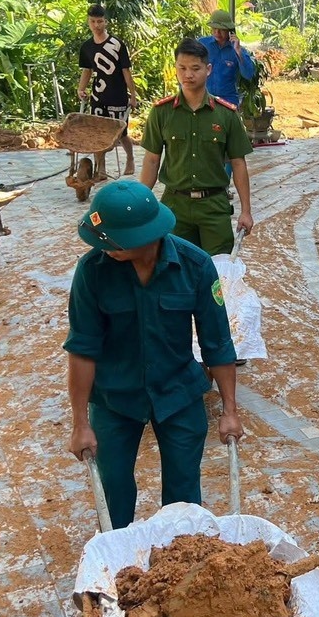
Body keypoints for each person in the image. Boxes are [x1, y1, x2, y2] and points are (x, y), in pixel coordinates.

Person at [64, 180, 243, 529]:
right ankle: (119, 561)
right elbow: (82, 350)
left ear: (145, 236)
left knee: (183, 495)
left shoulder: (196, 266)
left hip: (178, 394)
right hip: (115, 398)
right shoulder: (92, 272)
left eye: (113, 241)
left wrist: (230, 411)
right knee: (114, 488)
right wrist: (80, 423)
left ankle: (180, 564)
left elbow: (217, 343)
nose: (104, 248)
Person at [140, 38, 254, 256]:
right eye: (182, 68)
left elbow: (238, 163)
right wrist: (140, 202)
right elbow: (152, 160)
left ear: (208, 69)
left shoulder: (226, 114)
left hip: (214, 207)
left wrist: (246, 211)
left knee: (218, 273)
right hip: (174, 207)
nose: (188, 75)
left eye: (195, 68)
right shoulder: (161, 113)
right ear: (176, 69)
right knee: (175, 270)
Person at [77, 4, 138, 175]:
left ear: (106, 22)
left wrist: (133, 95)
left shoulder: (117, 45)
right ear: (88, 22)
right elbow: (87, 71)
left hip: (117, 95)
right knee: (97, 132)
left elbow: (126, 71)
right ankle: (101, 169)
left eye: (100, 21)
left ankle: (130, 159)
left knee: (121, 132)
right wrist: (81, 89)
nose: (96, 25)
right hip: (98, 96)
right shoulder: (87, 47)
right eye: (93, 21)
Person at [198, 9, 256, 108]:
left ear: (230, 31)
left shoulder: (237, 49)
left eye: (222, 29)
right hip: (203, 99)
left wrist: (238, 52)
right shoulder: (201, 44)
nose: (217, 32)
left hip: (228, 100)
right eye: (214, 29)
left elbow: (249, 74)